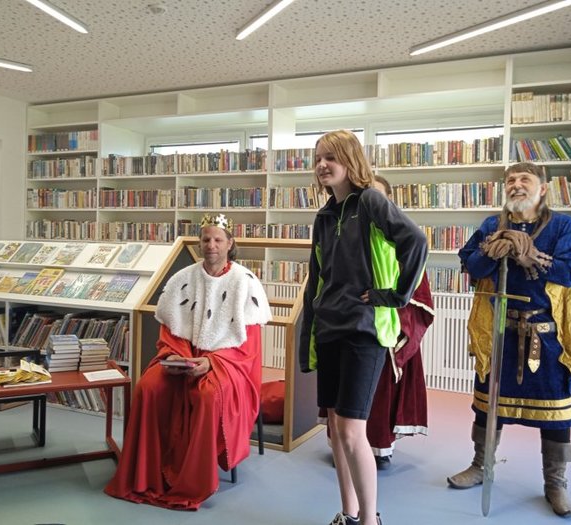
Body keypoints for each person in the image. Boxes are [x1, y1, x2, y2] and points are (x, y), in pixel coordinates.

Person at [447, 162, 571, 518]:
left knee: (557, 415)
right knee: (487, 406)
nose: (516, 185)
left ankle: (556, 483)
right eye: (511, 180)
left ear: (543, 188)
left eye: (525, 179)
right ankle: (481, 466)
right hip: (499, 332)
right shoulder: (491, 225)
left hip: (546, 336)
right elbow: (470, 266)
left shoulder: (562, 226)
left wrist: (532, 258)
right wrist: (491, 250)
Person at [300, 130, 428, 525]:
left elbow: (416, 242)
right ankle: (349, 514)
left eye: (331, 157)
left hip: (363, 332)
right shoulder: (324, 217)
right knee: (336, 431)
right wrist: (309, 338)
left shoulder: (371, 201)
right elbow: (315, 280)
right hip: (329, 329)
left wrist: (395, 296)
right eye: (318, 158)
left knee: (354, 432)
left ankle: (371, 520)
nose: (322, 165)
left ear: (350, 159)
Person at [104, 213, 271, 510]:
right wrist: (175, 357)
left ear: (230, 243)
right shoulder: (182, 279)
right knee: (148, 387)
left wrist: (212, 363)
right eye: (206, 239)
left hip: (227, 364)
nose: (211, 245)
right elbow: (170, 333)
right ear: (199, 243)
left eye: (218, 240)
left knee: (207, 395)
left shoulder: (245, 282)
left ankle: (193, 480)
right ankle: (147, 473)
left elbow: (248, 346)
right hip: (183, 358)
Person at [318, 175, 436, 471]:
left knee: (378, 399)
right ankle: (347, 456)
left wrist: (391, 301)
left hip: (381, 332)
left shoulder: (395, 241)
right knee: (342, 410)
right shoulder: (333, 222)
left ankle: (378, 449)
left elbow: (416, 293)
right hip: (342, 326)